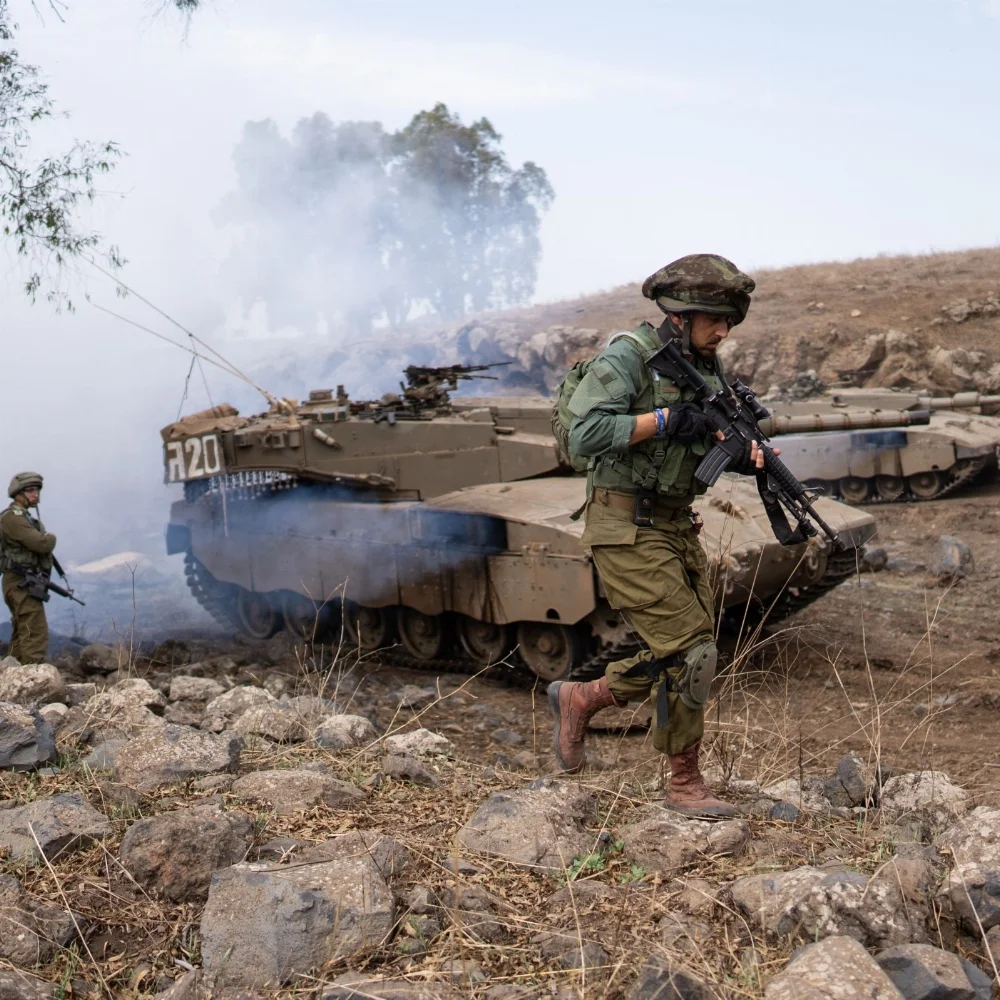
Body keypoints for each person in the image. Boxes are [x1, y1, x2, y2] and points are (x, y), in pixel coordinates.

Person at [548, 254, 773, 818]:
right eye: (714, 320)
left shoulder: (706, 367)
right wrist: (670, 421)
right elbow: (585, 434)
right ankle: (684, 784)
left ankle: (582, 698)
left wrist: (741, 454)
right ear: (679, 315)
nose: (723, 331)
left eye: (729, 321)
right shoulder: (628, 359)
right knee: (692, 650)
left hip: (674, 524)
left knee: (679, 650)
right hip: (623, 524)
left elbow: (697, 446)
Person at [1, 472, 56, 664]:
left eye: (37, 490)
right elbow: (42, 544)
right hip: (19, 581)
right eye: (30, 490)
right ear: (18, 493)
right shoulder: (13, 518)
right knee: (34, 630)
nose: (36, 495)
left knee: (23, 630)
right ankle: (33, 681)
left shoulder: (24, 518)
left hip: (21, 581)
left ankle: (13, 679)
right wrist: (50, 538)